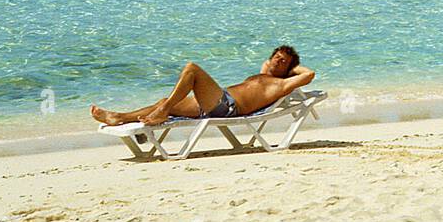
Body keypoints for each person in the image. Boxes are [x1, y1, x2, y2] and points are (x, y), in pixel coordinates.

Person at [91, 45, 314, 127]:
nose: (276, 60)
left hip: (228, 107)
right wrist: (278, 62)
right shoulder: (263, 74)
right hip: (218, 100)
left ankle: (164, 112)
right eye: (275, 56)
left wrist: (292, 68)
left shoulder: (282, 84)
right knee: (165, 102)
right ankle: (119, 117)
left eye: (282, 61)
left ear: (290, 69)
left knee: (192, 69)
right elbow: (266, 64)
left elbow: (309, 74)